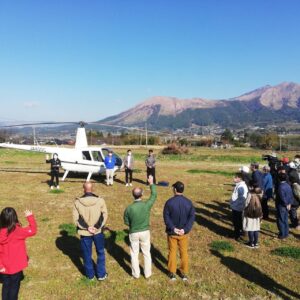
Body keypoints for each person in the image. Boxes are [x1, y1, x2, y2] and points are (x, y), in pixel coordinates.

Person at [73, 182, 108, 280]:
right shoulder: (100, 201)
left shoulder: (77, 202)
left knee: (86, 254)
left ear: (83, 189)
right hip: (98, 232)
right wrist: (96, 227)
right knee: (100, 252)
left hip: (85, 233)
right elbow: (104, 215)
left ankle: (90, 275)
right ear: (93, 188)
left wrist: (87, 227)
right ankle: (101, 275)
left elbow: (76, 219)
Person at [124, 175, 157, 279]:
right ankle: (147, 274)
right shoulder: (146, 205)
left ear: (133, 195)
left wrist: (132, 225)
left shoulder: (129, 208)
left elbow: (126, 221)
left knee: (134, 253)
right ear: (142, 195)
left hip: (133, 232)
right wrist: (151, 183)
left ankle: (136, 274)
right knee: (146, 252)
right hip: (145, 232)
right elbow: (154, 195)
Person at [0, 208, 37, 300]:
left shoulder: (1, 232)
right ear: (15, 217)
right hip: (15, 266)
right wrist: (30, 216)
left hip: (3, 266)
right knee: (14, 287)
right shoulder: (18, 231)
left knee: (6, 285)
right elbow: (33, 230)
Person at [163, 181, 195, 281]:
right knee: (184, 252)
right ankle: (184, 273)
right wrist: (185, 229)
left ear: (175, 190)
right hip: (183, 233)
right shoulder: (189, 203)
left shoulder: (169, 202)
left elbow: (166, 217)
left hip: (172, 233)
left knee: (172, 252)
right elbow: (191, 217)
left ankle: (172, 272)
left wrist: (173, 228)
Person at [230, 172, 248, 241]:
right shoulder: (239, 185)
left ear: (239, 179)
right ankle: (238, 233)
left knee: (236, 222)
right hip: (236, 206)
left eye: (235, 177)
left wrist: (234, 204)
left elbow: (241, 198)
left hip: (237, 207)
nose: (233, 178)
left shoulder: (241, 187)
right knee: (237, 221)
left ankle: (237, 235)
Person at [276, 173, 293, 239]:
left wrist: (286, 204)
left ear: (279, 179)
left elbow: (282, 197)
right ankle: (286, 233)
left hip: (282, 205)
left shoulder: (280, 187)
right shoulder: (288, 185)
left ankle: (282, 234)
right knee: (285, 219)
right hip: (287, 205)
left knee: (281, 220)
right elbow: (291, 195)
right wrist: (289, 204)